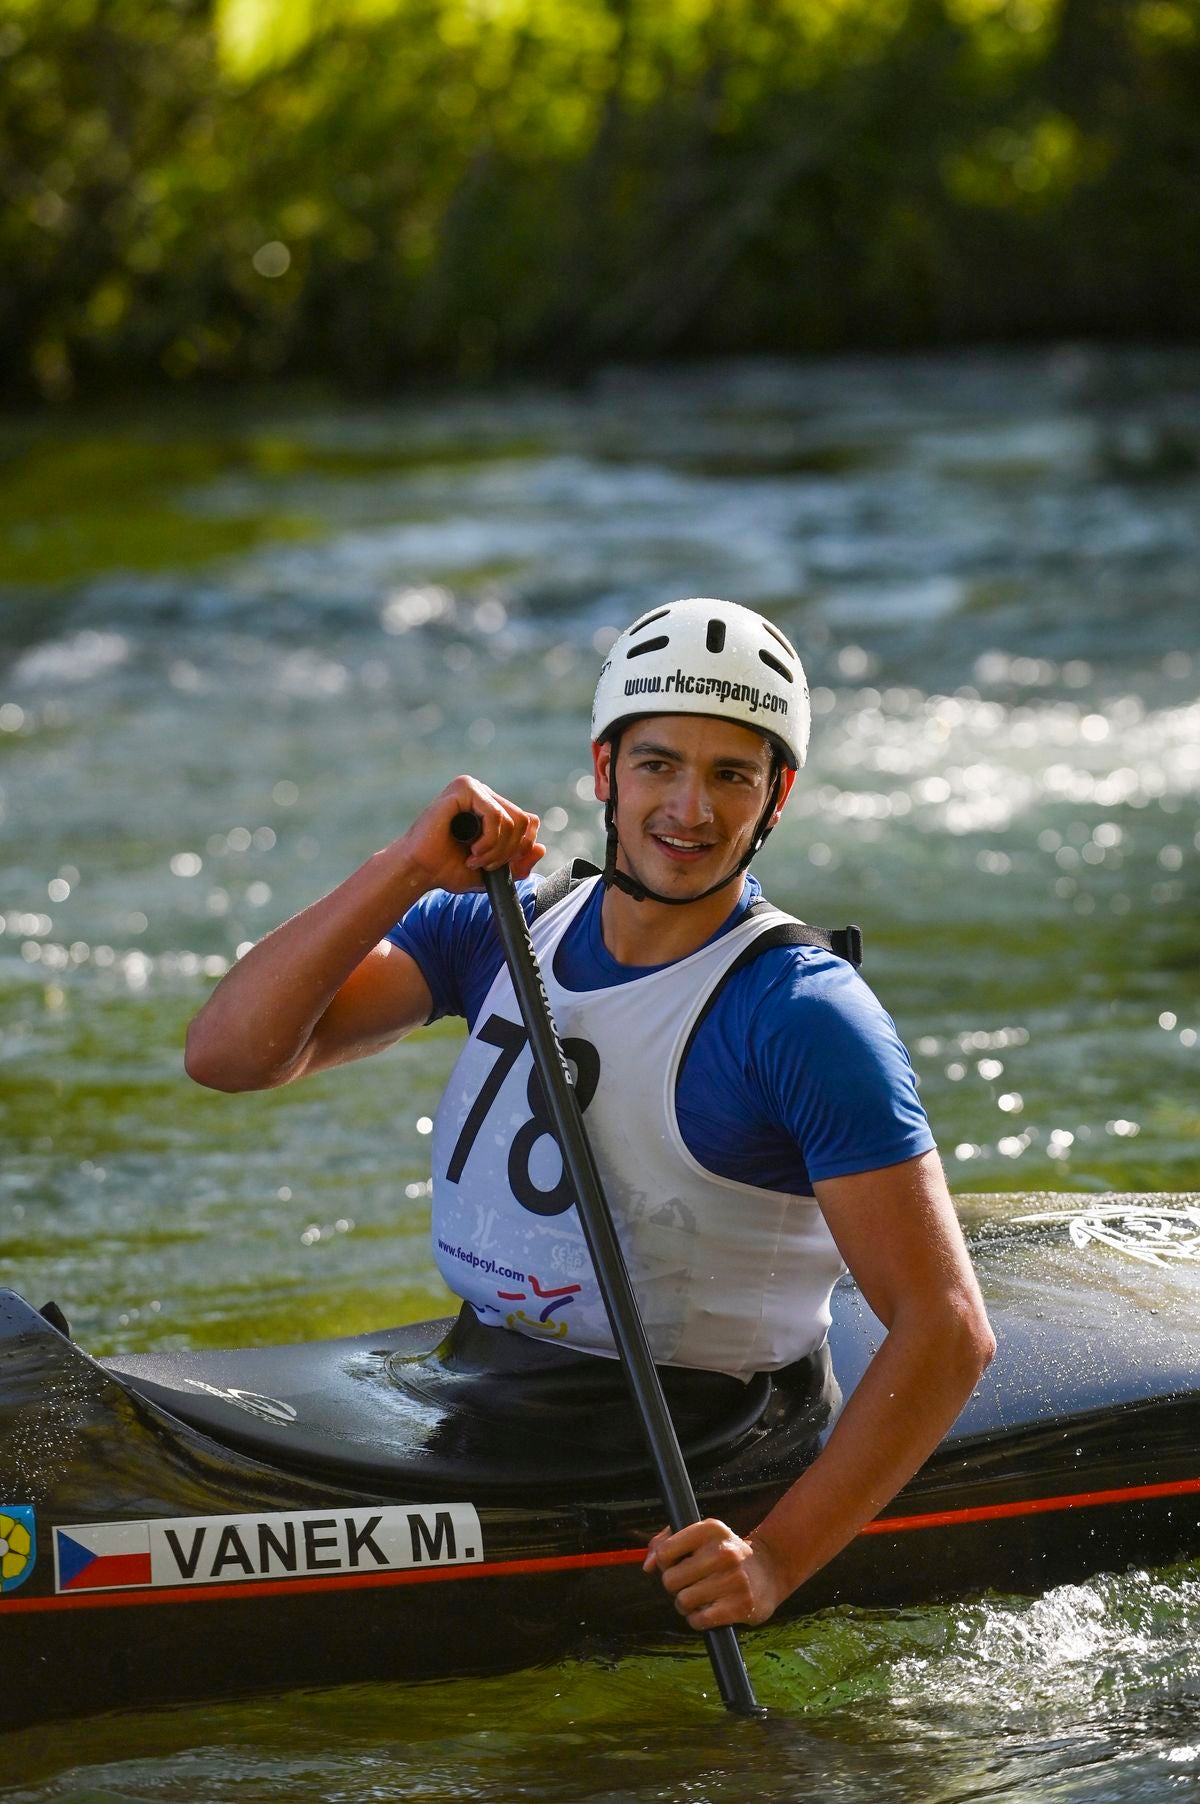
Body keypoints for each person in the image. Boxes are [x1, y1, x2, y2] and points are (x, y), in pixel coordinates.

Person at [186, 596, 995, 1634]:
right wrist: (404, 869)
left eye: (732, 775)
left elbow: (948, 1329)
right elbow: (231, 1056)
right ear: (605, 770)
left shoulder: (800, 1017)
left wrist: (774, 1561)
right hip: (481, 1377)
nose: (690, 811)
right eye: (659, 764)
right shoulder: (504, 924)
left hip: (690, 1436)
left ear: (776, 795)